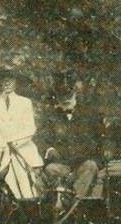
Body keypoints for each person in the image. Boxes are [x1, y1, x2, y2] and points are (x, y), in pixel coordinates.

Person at [0, 68, 44, 200]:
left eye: (10, 80)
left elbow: (30, 128)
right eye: (4, 80)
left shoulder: (25, 102)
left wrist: (13, 141)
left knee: (27, 186)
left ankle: (28, 215)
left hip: (23, 152)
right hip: (0, 153)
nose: (7, 83)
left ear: (16, 83)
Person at [42, 70, 103, 198]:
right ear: (57, 97)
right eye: (62, 95)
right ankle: (61, 201)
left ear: (75, 93)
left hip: (82, 166)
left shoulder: (88, 115)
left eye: (69, 94)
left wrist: (80, 158)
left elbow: (95, 143)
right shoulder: (52, 117)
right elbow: (44, 140)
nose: (66, 99)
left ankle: (73, 203)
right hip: (62, 166)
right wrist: (50, 149)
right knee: (50, 169)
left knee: (90, 166)